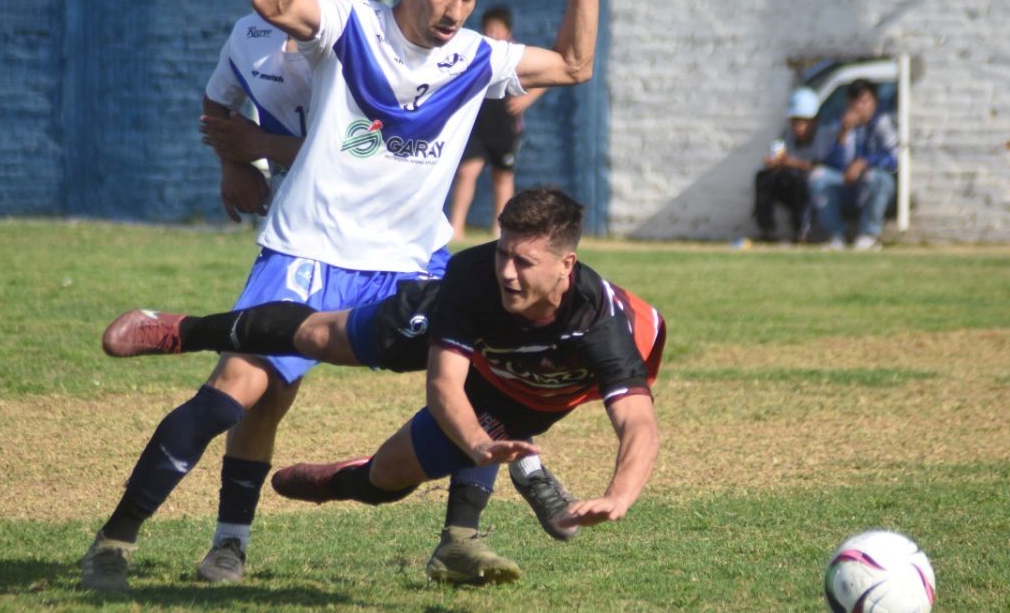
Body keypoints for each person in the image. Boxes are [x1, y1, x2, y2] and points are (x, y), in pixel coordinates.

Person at [80, 0, 601, 592]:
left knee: (486, 365)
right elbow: (271, 2)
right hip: (310, 251)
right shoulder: (349, 23)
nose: (455, 10)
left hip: (411, 264)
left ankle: (462, 537)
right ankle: (117, 540)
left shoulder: (477, 56)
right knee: (235, 396)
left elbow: (576, 65)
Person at [101, 188, 666, 584]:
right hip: (461, 343)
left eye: (524, 262)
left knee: (388, 475)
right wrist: (476, 445)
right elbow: (445, 385)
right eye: (503, 253)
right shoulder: (473, 278)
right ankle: (186, 329)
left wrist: (619, 496)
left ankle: (342, 479)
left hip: (525, 389)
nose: (507, 272)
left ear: (567, 265)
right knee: (322, 335)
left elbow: (638, 423)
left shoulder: (603, 328)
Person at [184, 0, 351, 585]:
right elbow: (217, 99)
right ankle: (230, 542)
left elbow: (368, 149)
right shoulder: (249, 34)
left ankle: (461, 533)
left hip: (382, 238)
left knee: (461, 354)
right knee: (264, 385)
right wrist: (234, 165)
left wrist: (265, 149)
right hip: (298, 231)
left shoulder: (368, 34)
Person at [448, 6, 546, 240]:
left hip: (506, 126)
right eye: (488, 28)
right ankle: (456, 228)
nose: (492, 33)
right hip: (478, 124)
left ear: (507, 30)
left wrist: (527, 99)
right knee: (466, 171)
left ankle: (499, 229)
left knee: (502, 176)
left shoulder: (514, 54)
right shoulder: (479, 51)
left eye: (496, 29)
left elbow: (546, 76)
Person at [809, 79, 897, 251]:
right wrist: (843, 133)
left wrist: (865, 163)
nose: (859, 107)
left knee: (880, 179)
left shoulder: (883, 123)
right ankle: (836, 236)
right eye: (855, 101)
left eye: (864, 101)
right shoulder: (841, 125)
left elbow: (894, 158)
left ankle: (868, 235)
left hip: (871, 184)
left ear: (874, 102)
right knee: (818, 177)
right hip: (847, 185)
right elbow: (831, 164)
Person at [752, 88, 835, 244]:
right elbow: (782, 161)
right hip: (790, 184)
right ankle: (766, 229)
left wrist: (791, 162)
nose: (798, 126)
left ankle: (802, 231)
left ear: (815, 120)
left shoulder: (824, 136)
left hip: (812, 188)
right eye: (795, 121)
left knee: (801, 183)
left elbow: (822, 167)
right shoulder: (787, 136)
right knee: (763, 177)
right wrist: (774, 165)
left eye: (803, 121)